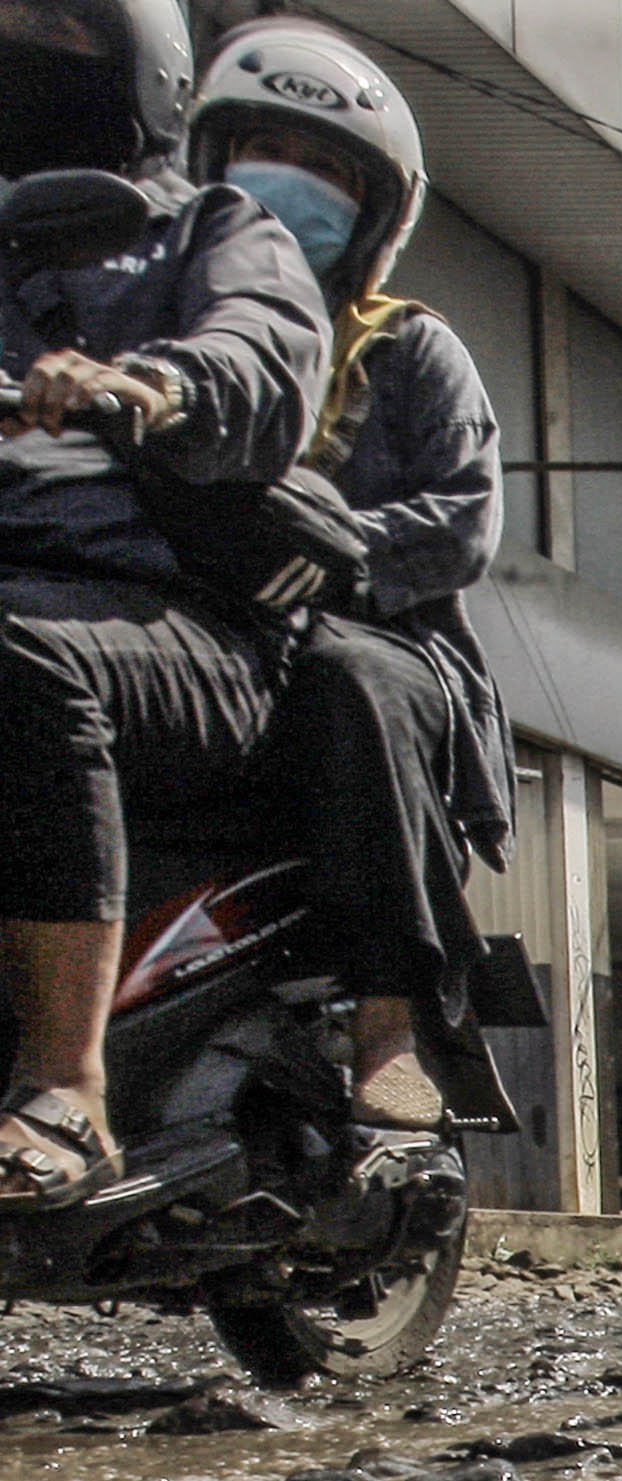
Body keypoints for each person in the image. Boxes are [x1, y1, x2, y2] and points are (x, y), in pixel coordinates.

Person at [0, 0, 330, 1206]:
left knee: (16, 660)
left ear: (142, 66)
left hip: (188, 624)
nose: (22, 56)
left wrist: (150, 383)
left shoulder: (212, 227)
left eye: (55, 34)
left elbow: (262, 352)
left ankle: (67, 1086)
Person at [185, 17, 506, 1131]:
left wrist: (319, 551)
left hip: (375, 643)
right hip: (193, 632)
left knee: (347, 677)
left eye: (323, 167)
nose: (289, 182)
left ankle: (388, 1025)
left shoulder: (407, 346)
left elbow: (461, 524)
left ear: (373, 210)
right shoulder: (157, 326)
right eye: (265, 150)